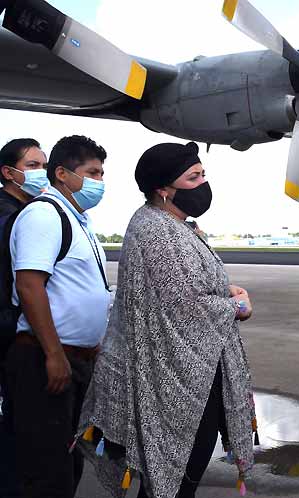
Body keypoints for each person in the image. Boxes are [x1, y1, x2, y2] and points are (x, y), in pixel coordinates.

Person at [77, 142, 257, 498]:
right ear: (163, 189)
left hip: (186, 373)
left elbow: (185, 286)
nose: (203, 183)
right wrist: (239, 306)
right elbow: (187, 307)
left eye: (203, 174)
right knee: (175, 479)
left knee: (180, 477)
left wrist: (224, 288)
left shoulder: (171, 224)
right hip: (175, 380)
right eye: (193, 177)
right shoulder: (158, 231)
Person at [5, 135, 109, 498]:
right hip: (44, 358)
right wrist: (53, 354)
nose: (99, 182)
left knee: (67, 464)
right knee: (45, 472)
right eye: (92, 173)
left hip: (73, 358)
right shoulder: (43, 214)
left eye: (101, 173)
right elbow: (31, 286)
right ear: (62, 174)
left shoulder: (78, 219)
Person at [0, 138, 48, 498]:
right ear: (8, 173)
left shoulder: (25, 212)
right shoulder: (11, 217)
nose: (41, 173)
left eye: (44, 165)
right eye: (32, 166)